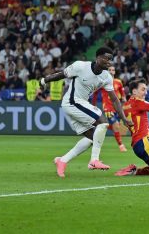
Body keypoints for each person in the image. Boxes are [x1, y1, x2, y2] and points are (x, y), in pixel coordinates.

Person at [40, 47, 133, 178]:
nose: (109, 62)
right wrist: (45, 80)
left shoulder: (106, 77)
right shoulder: (80, 66)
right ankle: (94, 160)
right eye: (106, 58)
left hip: (78, 105)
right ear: (98, 57)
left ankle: (62, 160)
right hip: (71, 102)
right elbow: (62, 74)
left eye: (111, 60)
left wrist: (123, 118)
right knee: (103, 122)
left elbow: (115, 99)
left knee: (92, 137)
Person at [92, 66, 128, 152]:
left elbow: (122, 95)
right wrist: (94, 104)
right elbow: (95, 93)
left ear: (115, 72)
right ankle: (121, 145)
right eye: (110, 70)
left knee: (116, 126)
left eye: (113, 70)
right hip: (108, 108)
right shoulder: (103, 82)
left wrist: (124, 101)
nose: (111, 71)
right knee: (116, 125)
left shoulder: (118, 82)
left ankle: (100, 125)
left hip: (117, 108)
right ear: (107, 72)